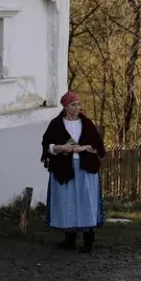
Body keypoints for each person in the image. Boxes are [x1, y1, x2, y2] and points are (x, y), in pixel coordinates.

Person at [41, 91, 106, 253]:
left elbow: (98, 145)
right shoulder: (56, 124)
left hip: (85, 168)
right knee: (68, 202)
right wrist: (62, 148)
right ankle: (69, 239)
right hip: (65, 169)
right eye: (73, 105)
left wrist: (83, 148)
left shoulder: (86, 124)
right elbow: (47, 145)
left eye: (78, 104)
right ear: (65, 106)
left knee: (86, 201)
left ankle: (88, 240)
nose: (77, 108)